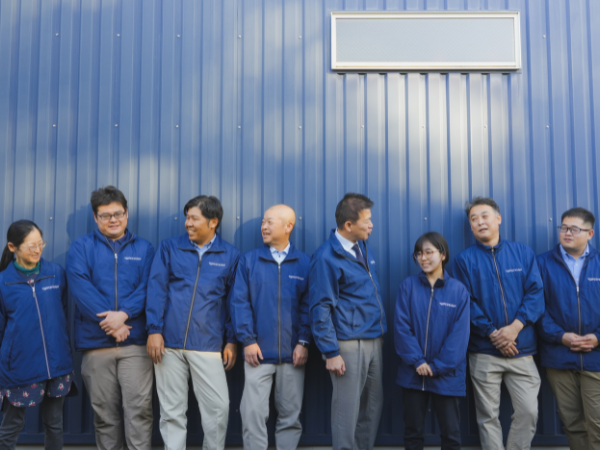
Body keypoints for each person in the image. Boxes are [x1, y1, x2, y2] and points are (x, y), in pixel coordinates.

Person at [146, 195, 240, 450]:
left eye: (194, 218)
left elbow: (234, 301)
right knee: (172, 412)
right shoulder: (169, 248)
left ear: (213, 222)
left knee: (218, 408)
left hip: (208, 344)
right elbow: (156, 289)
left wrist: (232, 340)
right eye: (187, 217)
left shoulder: (230, 255)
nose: (187, 223)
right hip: (168, 344)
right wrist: (154, 330)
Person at [66, 186, 155, 450]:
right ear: (96, 218)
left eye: (117, 213)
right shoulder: (81, 247)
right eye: (105, 215)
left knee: (140, 412)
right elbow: (81, 289)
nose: (112, 220)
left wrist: (124, 315)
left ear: (126, 214)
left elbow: (149, 286)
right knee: (105, 416)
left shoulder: (145, 248)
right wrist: (113, 325)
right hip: (97, 345)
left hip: (135, 345)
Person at [453, 197, 544, 450]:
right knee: (487, 418)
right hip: (484, 352)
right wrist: (493, 333)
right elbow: (466, 302)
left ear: (498, 218)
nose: (479, 222)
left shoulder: (522, 253)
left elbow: (536, 294)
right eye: (474, 219)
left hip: (521, 349)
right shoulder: (463, 260)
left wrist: (515, 328)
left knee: (528, 412)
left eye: (484, 216)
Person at [309, 193, 386, 450]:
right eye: (367, 220)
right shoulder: (326, 257)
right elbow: (320, 307)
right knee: (347, 411)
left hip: (373, 339)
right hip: (348, 344)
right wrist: (331, 352)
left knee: (371, 406)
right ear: (349, 225)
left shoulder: (363, 247)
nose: (371, 225)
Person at [231, 204, 311, 450]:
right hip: (258, 354)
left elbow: (310, 306)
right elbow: (239, 302)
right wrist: (247, 340)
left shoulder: (304, 263)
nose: (263, 227)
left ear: (288, 226)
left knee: (290, 416)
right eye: (263, 222)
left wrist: (304, 342)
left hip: (293, 355)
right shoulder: (249, 261)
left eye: (269, 222)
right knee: (252, 414)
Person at [0, 220, 75, 450]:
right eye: (31, 246)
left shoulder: (56, 273)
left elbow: (62, 313)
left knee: (54, 424)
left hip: (56, 364)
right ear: (12, 247)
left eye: (40, 244)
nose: (37, 250)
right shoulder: (3, 283)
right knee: (11, 425)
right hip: (20, 366)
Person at [395, 232, 470, 450]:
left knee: (451, 435)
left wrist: (436, 366)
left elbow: (459, 337)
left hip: (447, 376)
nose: (423, 258)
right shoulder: (408, 286)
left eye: (429, 252)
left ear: (443, 255)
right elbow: (401, 328)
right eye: (419, 254)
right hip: (413, 374)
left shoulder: (458, 291)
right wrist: (418, 361)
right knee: (412, 434)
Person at [537, 207, 600, 450]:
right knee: (572, 425)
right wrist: (560, 336)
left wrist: (597, 338)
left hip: (596, 358)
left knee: (597, 423)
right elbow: (536, 308)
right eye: (563, 227)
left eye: (574, 229)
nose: (567, 232)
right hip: (559, 358)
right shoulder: (542, 263)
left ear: (590, 233)